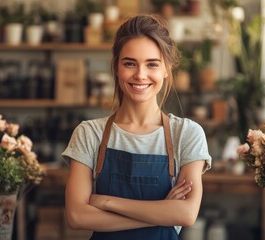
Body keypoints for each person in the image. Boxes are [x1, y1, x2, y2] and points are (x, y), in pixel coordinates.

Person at [62, 14, 211, 240]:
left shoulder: (187, 134)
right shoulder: (89, 134)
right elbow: (77, 216)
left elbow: (187, 213)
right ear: (116, 67)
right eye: (129, 63)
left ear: (166, 69)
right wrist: (162, 211)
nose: (140, 75)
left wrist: (107, 202)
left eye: (152, 64)